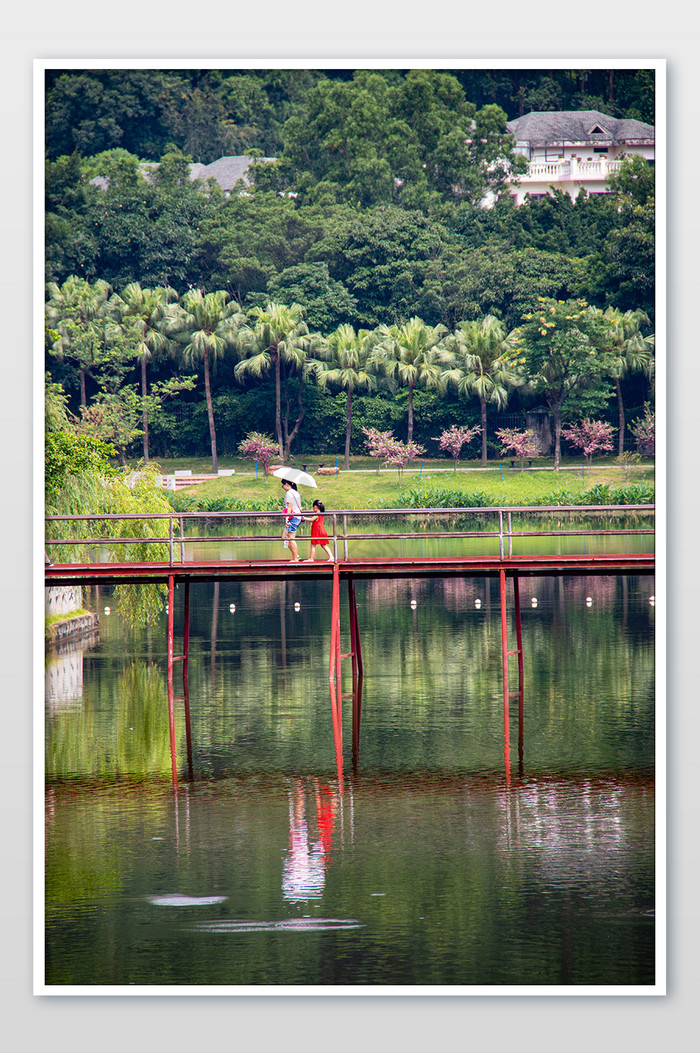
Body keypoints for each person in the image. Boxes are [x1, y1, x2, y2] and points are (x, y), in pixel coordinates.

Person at [281, 479, 302, 562]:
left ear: (286, 484)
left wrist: (286, 518)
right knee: (284, 537)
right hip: (297, 517)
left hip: (293, 517)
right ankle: (296, 555)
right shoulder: (295, 492)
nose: (282, 487)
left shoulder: (289, 493)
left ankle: (295, 559)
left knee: (291, 538)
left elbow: (289, 507)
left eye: (282, 485)